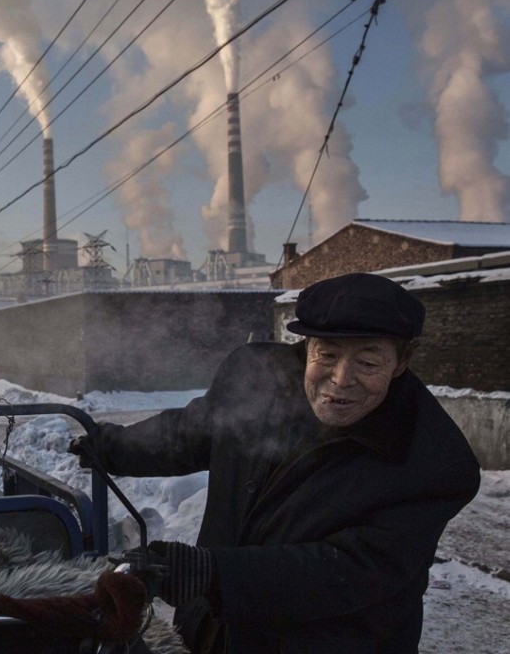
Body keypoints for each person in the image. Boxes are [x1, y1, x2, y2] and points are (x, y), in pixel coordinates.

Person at [69, 272, 481, 653]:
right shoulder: (258, 378)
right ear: (306, 346)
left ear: (404, 360)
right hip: (214, 634)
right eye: (327, 354)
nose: (341, 379)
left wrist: (213, 573)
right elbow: (190, 433)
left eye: (368, 363)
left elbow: (350, 572)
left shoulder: (434, 463)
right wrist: (109, 447)